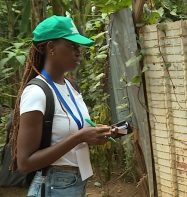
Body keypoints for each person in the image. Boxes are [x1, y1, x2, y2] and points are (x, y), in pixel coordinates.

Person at [9, 15, 115, 197]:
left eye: (78, 47)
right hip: (53, 186)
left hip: (76, 183)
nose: (79, 52)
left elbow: (68, 134)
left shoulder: (71, 86)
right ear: (51, 47)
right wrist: (79, 138)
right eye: (72, 46)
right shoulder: (36, 92)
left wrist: (94, 135)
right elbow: (24, 164)